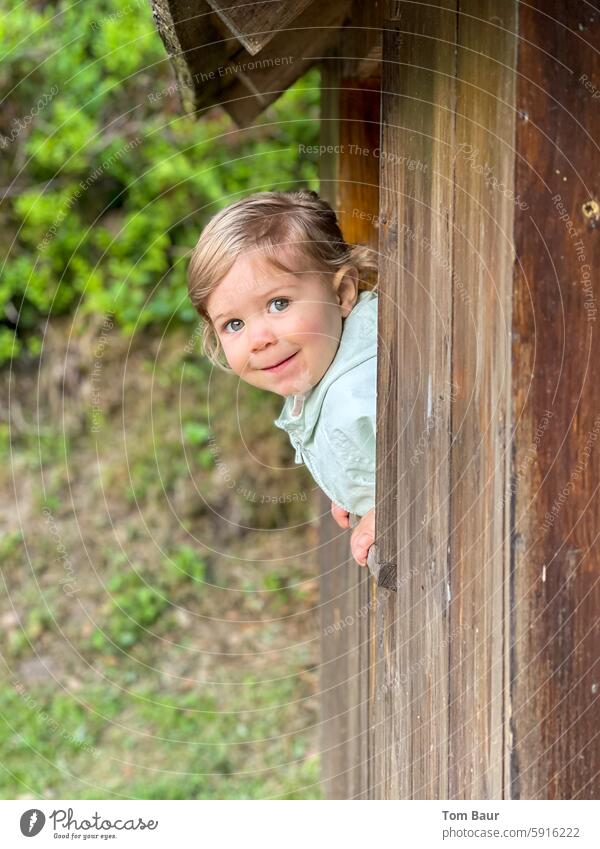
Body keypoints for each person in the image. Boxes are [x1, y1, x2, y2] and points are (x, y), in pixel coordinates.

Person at [187, 189, 377, 567]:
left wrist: (390, 507)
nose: (259, 340)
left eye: (279, 304)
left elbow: (446, 456)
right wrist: (355, 486)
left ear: (341, 292)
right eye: (234, 324)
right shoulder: (328, 369)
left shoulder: (360, 392)